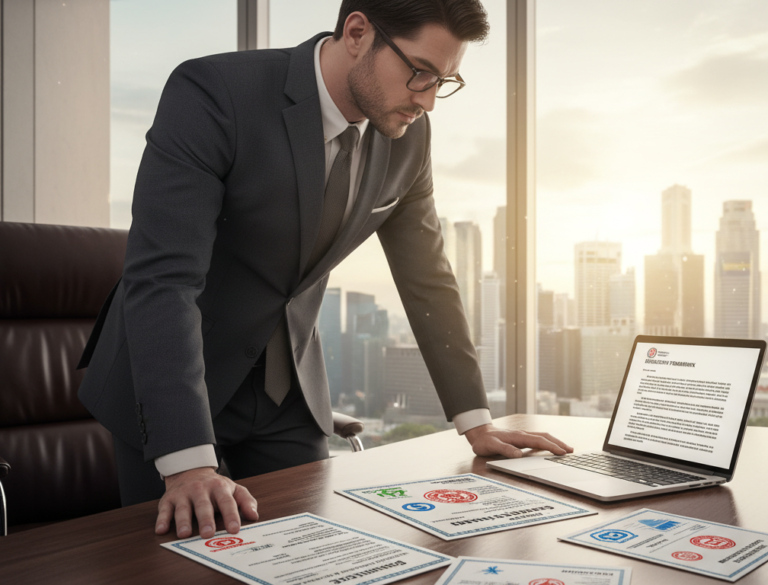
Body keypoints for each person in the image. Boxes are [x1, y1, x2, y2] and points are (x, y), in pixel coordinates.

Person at [77, 0, 571, 542]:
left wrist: (476, 420)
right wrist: (190, 463)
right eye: (420, 73)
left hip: (290, 393)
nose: (427, 101)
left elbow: (427, 276)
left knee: (312, 554)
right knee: (177, 564)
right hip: (176, 385)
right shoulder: (215, 93)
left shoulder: (408, 138)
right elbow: (166, 279)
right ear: (357, 31)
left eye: (444, 82)